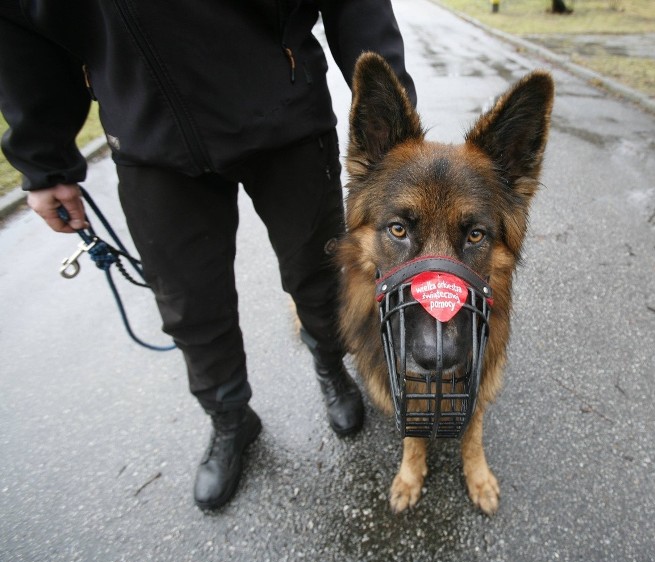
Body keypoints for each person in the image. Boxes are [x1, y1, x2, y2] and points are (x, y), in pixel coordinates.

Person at [0, 0, 416, 510]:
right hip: (148, 133)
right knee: (190, 304)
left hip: (284, 113)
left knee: (321, 275)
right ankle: (230, 418)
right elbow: (21, 21)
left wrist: (400, 129)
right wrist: (44, 160)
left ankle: (331, 366)